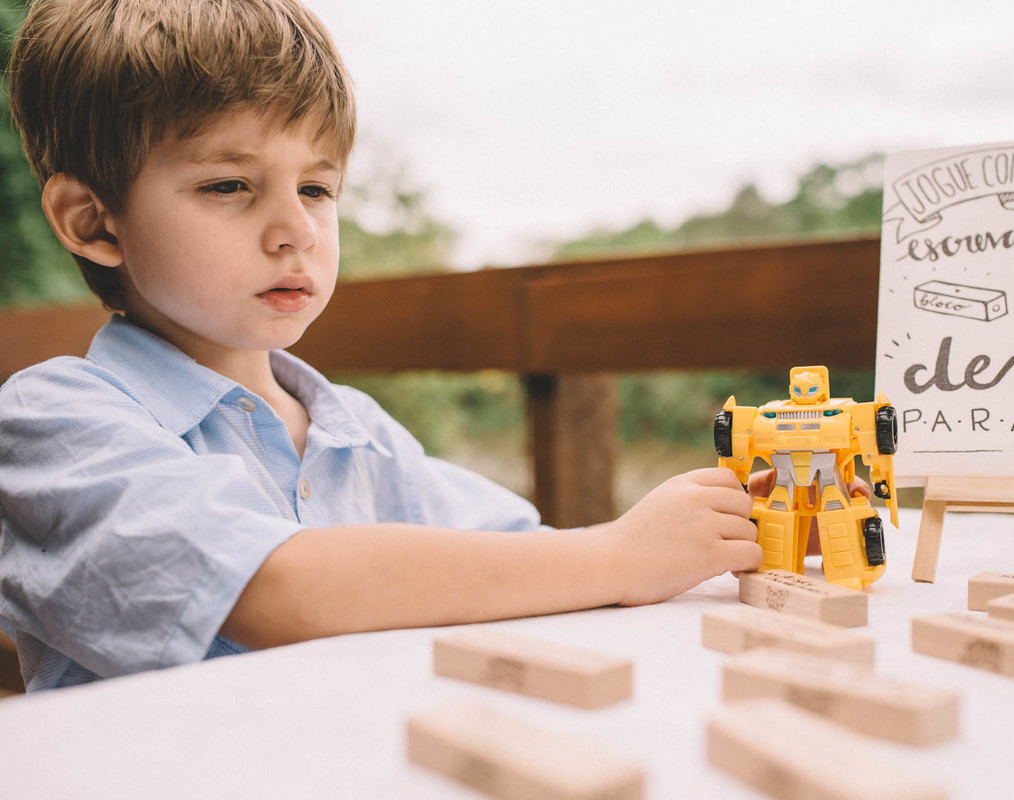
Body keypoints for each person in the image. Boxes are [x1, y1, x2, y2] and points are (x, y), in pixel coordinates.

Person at [0, 0, 762, 691]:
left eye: (316, 189)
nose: (296, 228)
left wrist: (715, 531)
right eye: (229, 186)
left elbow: (525, 558)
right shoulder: (53, 425)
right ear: (94, 221)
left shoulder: (357, 434)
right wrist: (619, 557)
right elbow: (274, 591)